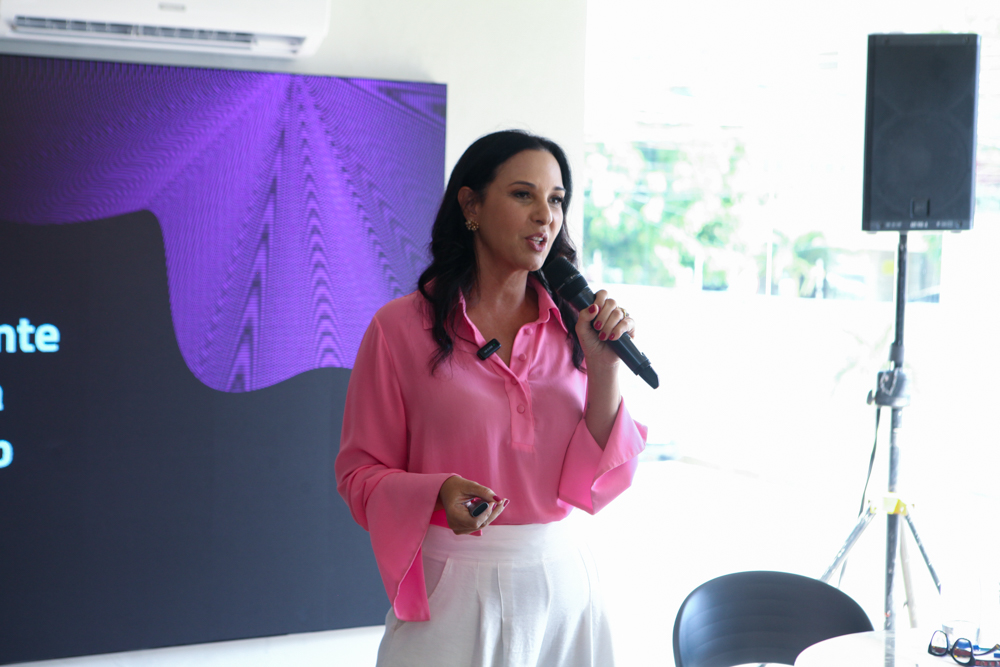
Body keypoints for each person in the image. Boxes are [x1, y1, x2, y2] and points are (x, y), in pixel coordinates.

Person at [335, 129, 647, 666]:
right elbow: (359, 475)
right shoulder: (397, 328)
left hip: (564, 586)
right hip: (452, 588)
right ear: (471, 205)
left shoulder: (576, 329)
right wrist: (438, 493)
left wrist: (604, 367)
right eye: (524, 195)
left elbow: (594, 486)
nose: (545, 216)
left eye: (556, 200)